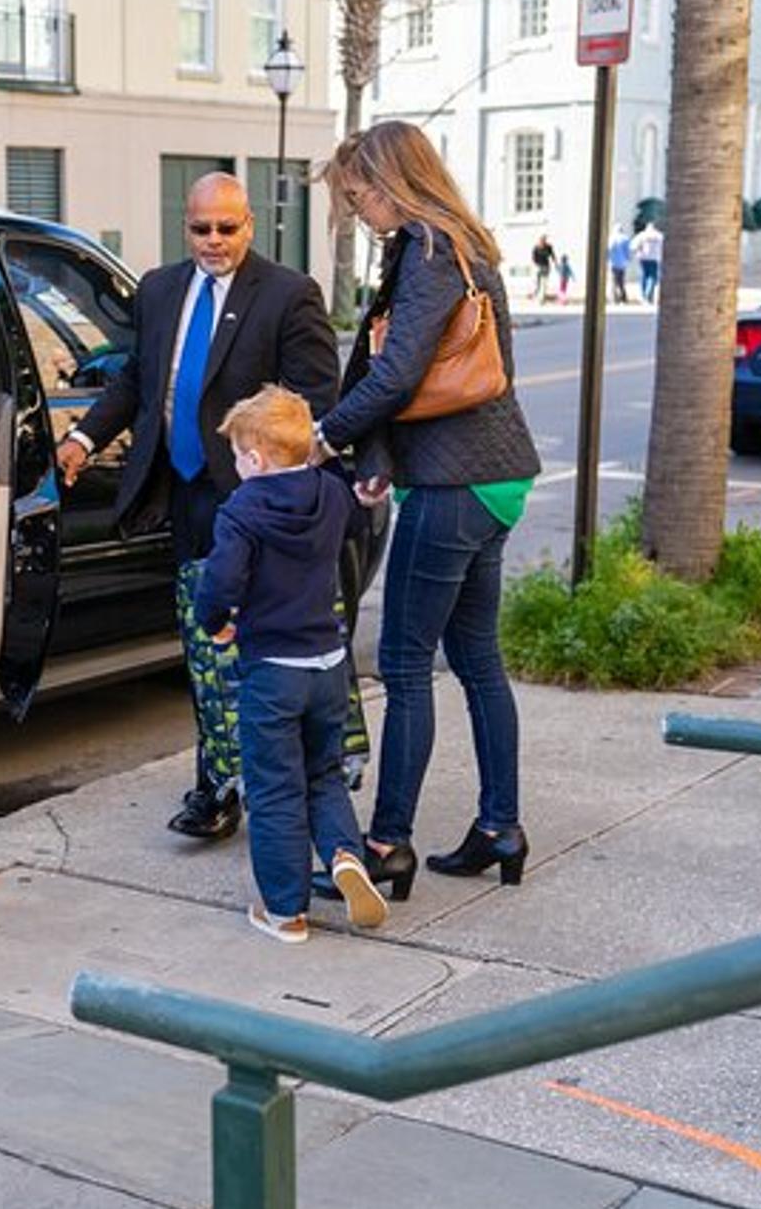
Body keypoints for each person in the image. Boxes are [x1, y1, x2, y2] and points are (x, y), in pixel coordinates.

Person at [56, 172, 350, 841]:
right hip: (183, 491)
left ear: (250, 224)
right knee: (202, 642)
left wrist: (284, 483)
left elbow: (314, 404)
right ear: (184, 226)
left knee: (256, 647)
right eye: (201, 228)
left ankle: (288, 787)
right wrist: (82, 436)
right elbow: (138, 376)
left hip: (256, 499)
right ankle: (216, 785)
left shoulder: (287, 295)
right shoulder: (161, 288)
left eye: (227, 227)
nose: (214, 241)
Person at [313, 120, 543, 897]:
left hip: (455, 485)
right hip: (491, 478)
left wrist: (325, 438)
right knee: (478, 659)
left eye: (361, 195)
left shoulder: (429, 251)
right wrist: (377, 460)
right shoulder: (460, 243)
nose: (360, 210)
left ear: (394, 182)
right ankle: (498, 825)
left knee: (406, 665)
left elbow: (393, 378)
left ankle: (387, 845)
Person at [193, 384, 387, 941]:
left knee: (275, 786)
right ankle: (346, 857)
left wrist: (216, 622)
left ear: (254, 459)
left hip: (273, 669)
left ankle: (285, 911)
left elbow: (219, 585)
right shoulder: (329, 492)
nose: (235, 464)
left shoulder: (242, 511)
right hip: (328, 665)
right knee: (322, 772)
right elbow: (357, 519)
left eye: (236, 455)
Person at [631, 221, 664, 303]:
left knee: (644, 275)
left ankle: (644, 294)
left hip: (643, 258)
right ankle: (648, 294)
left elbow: (633, 246)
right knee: (652, 276)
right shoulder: (659, 236)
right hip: (655, 258)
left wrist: (637, 253)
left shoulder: (642, 235)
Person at [607, 224, 633, 304]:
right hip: (622, 263)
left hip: (613, 263)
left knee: (614, 281)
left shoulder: (611, 238)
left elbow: (608, 250)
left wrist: (607, 259)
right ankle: (623, 298)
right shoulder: (625, 238)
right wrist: (629, 258)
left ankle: (614, 299)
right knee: (621, 281)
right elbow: (627, 251)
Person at [529, 235, 555, 304]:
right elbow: (533, 257)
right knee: (537, 282)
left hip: (546, 266)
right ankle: (535, 295)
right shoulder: (536, 248)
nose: (543, 241)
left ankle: (542, 299)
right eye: (541, 240)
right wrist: (536, 264)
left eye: (544, 240)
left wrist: (555, 263)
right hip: (538, 267)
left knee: (544, 283)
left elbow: (552, 255)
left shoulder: (549, 247)